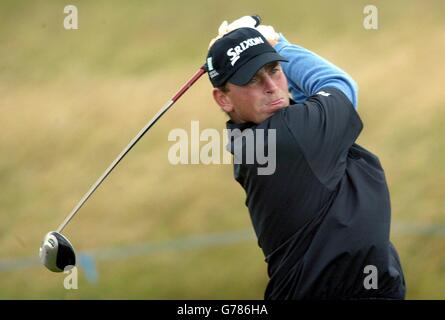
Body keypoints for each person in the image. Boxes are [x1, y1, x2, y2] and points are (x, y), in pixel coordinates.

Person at [205, 16, 406, 300]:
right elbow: (339, 85)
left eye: (274, 69)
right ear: (223, 99)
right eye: (252, 79)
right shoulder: (290, 139)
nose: (272, 86)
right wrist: (278, 43)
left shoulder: (255, 135)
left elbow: (300, 101)